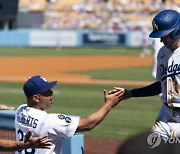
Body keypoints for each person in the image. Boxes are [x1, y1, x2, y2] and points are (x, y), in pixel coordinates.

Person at [110, 9, 180, 140]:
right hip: (166, 115)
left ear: (176, 31)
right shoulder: (163, 53)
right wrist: (131, 93)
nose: (160, 39)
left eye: (164, 35)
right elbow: (161, 85)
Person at [15, 75, 122, 154]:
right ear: (36, 98)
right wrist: (108, 104)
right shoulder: (50, 120)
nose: (52, 93)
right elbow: (88, 124)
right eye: (47, 92)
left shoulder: (20, 111)